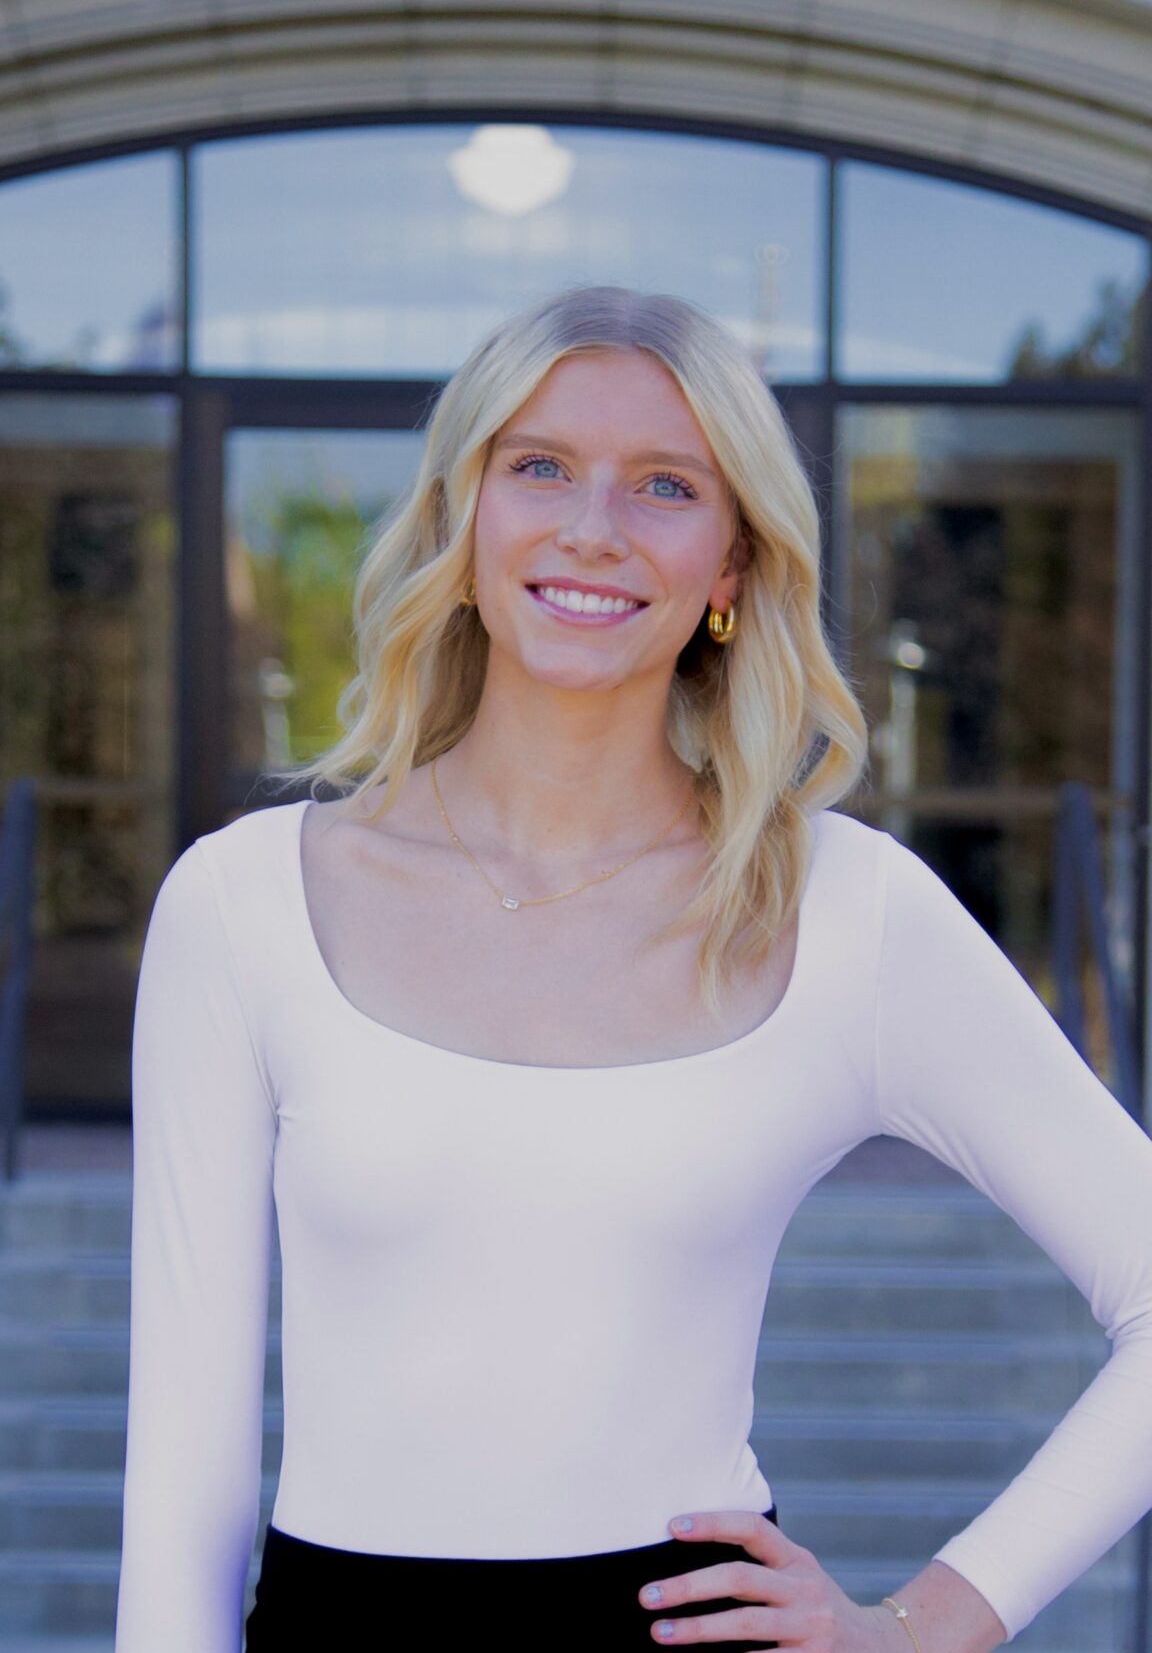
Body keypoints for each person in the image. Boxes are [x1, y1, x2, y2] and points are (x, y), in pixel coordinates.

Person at [113, 283, 1152, 1653]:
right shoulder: (243, 903)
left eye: (666, 485)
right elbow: (182, 1477)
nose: (591, 528)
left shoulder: (845, 911)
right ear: (461, 519)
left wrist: (919, 1624)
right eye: (539, 466)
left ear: (731, 567)